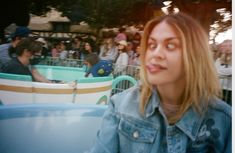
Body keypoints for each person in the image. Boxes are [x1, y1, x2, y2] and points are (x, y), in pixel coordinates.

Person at [86, 12, 231, 153]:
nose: (155, 53)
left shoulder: (225, 121)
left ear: (195, 55)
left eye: (170, 46)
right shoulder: (119, 106)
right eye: (152, 45)